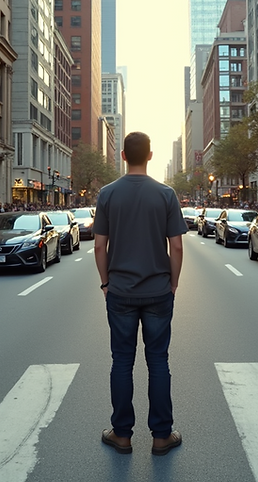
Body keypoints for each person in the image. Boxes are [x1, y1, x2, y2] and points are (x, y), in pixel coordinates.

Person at [94, 131, 185, 457]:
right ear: (150, 156)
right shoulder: (166, 194)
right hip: (159, 291)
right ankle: (161, 436)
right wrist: (173, 284)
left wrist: (106, 284)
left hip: (120, 292)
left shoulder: (107, 194)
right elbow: (176, 246)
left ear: (122, 155)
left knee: (122, 361)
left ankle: (122, 435)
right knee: (158, 361)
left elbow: (100, 246)